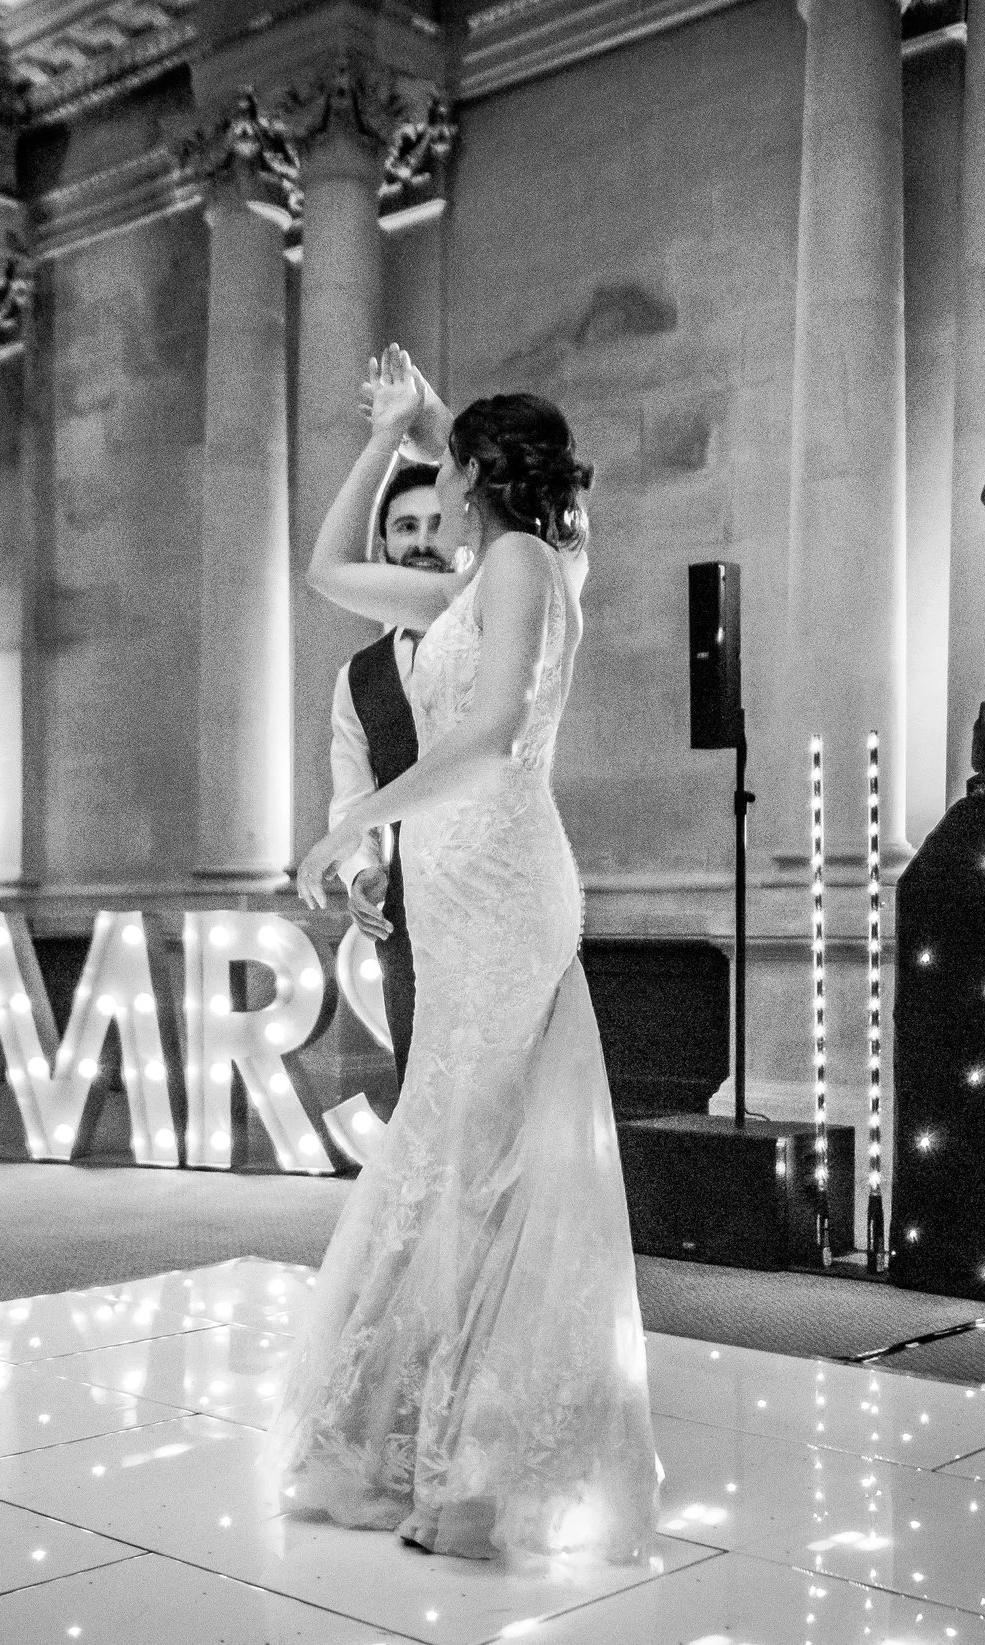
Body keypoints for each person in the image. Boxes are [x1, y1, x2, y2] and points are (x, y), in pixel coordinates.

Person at [271, 344, 660, 1563]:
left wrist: (352, 818)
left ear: (483, 475)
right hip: (449, 895)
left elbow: (491, 736)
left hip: (501, 884)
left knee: (481, 1164)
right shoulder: (470, 579)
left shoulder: (529, 564)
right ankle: (416, 1447)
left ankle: (477, 1464)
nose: (431, 487)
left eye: (446, 468)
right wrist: (394, 426)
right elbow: (327, 566)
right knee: (442, 1155)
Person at [328, 461, 478, 1085]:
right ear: (383, 544)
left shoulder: (493, 630)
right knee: (422, 1086)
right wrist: (361, 872)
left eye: (436, 525)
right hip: (407, 915)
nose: (420, 541)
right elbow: (352, 797)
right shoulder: (357, 677)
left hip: (488, 886)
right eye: (405, 526)